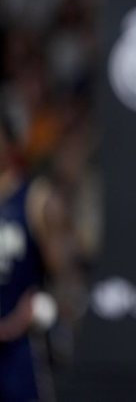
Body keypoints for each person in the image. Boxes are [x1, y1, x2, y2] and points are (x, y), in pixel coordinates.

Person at [0, 113, 57, 402]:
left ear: (10, 143)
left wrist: (40, 307)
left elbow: (64, 273)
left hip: (22, 340)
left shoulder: (36, 198)